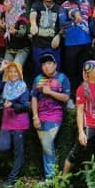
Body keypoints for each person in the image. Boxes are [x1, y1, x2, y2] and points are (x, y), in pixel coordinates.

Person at [31, 53, 71, 181]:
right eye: (43, 64)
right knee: (46, 146)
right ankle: (51, 176)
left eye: (49, 63)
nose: (46, 66)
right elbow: (34, 98)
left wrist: (50, 92)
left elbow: (66, 97)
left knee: (47, 143)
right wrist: (35, 117)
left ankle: (50, 178)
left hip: (54, 116)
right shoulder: (38, 79)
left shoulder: (62, 78)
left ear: (55, 65)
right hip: (40, 117)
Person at [0, 61, 30, 188]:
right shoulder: (5, 86)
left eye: (15, 71)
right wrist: (1, 70)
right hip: (6, 123)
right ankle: (13, 172)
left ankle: (12, 179)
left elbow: (26, 107)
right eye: (10, 71)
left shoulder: (23, 87)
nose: (12, 74)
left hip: (19, 124)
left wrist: (13, 105)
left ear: (20, 73)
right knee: (2, 147)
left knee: (19, 152)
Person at [59, 0, 94, 91]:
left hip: (86, 41)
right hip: (70, 43)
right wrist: (74, 20)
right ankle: (72, 97)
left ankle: (85, 95)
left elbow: (91, 20)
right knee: (71, 72)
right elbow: (62, 23)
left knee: (85, 71)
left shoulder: (86, 2)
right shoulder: (64, 5)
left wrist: (94, 37)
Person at [1, 0, 31, 75]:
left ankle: (19, 87)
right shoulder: (5, 14)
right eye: (4, 1)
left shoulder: (22, 16)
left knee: (15, 71)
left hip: (22, 49)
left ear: (14, 3)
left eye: (7, 1)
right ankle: (6, 87)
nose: (4, 3)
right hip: (10, 48)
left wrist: (15, 32)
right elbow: (3, 33)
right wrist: (1, 26)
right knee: (6, 72)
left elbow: (23, 33)